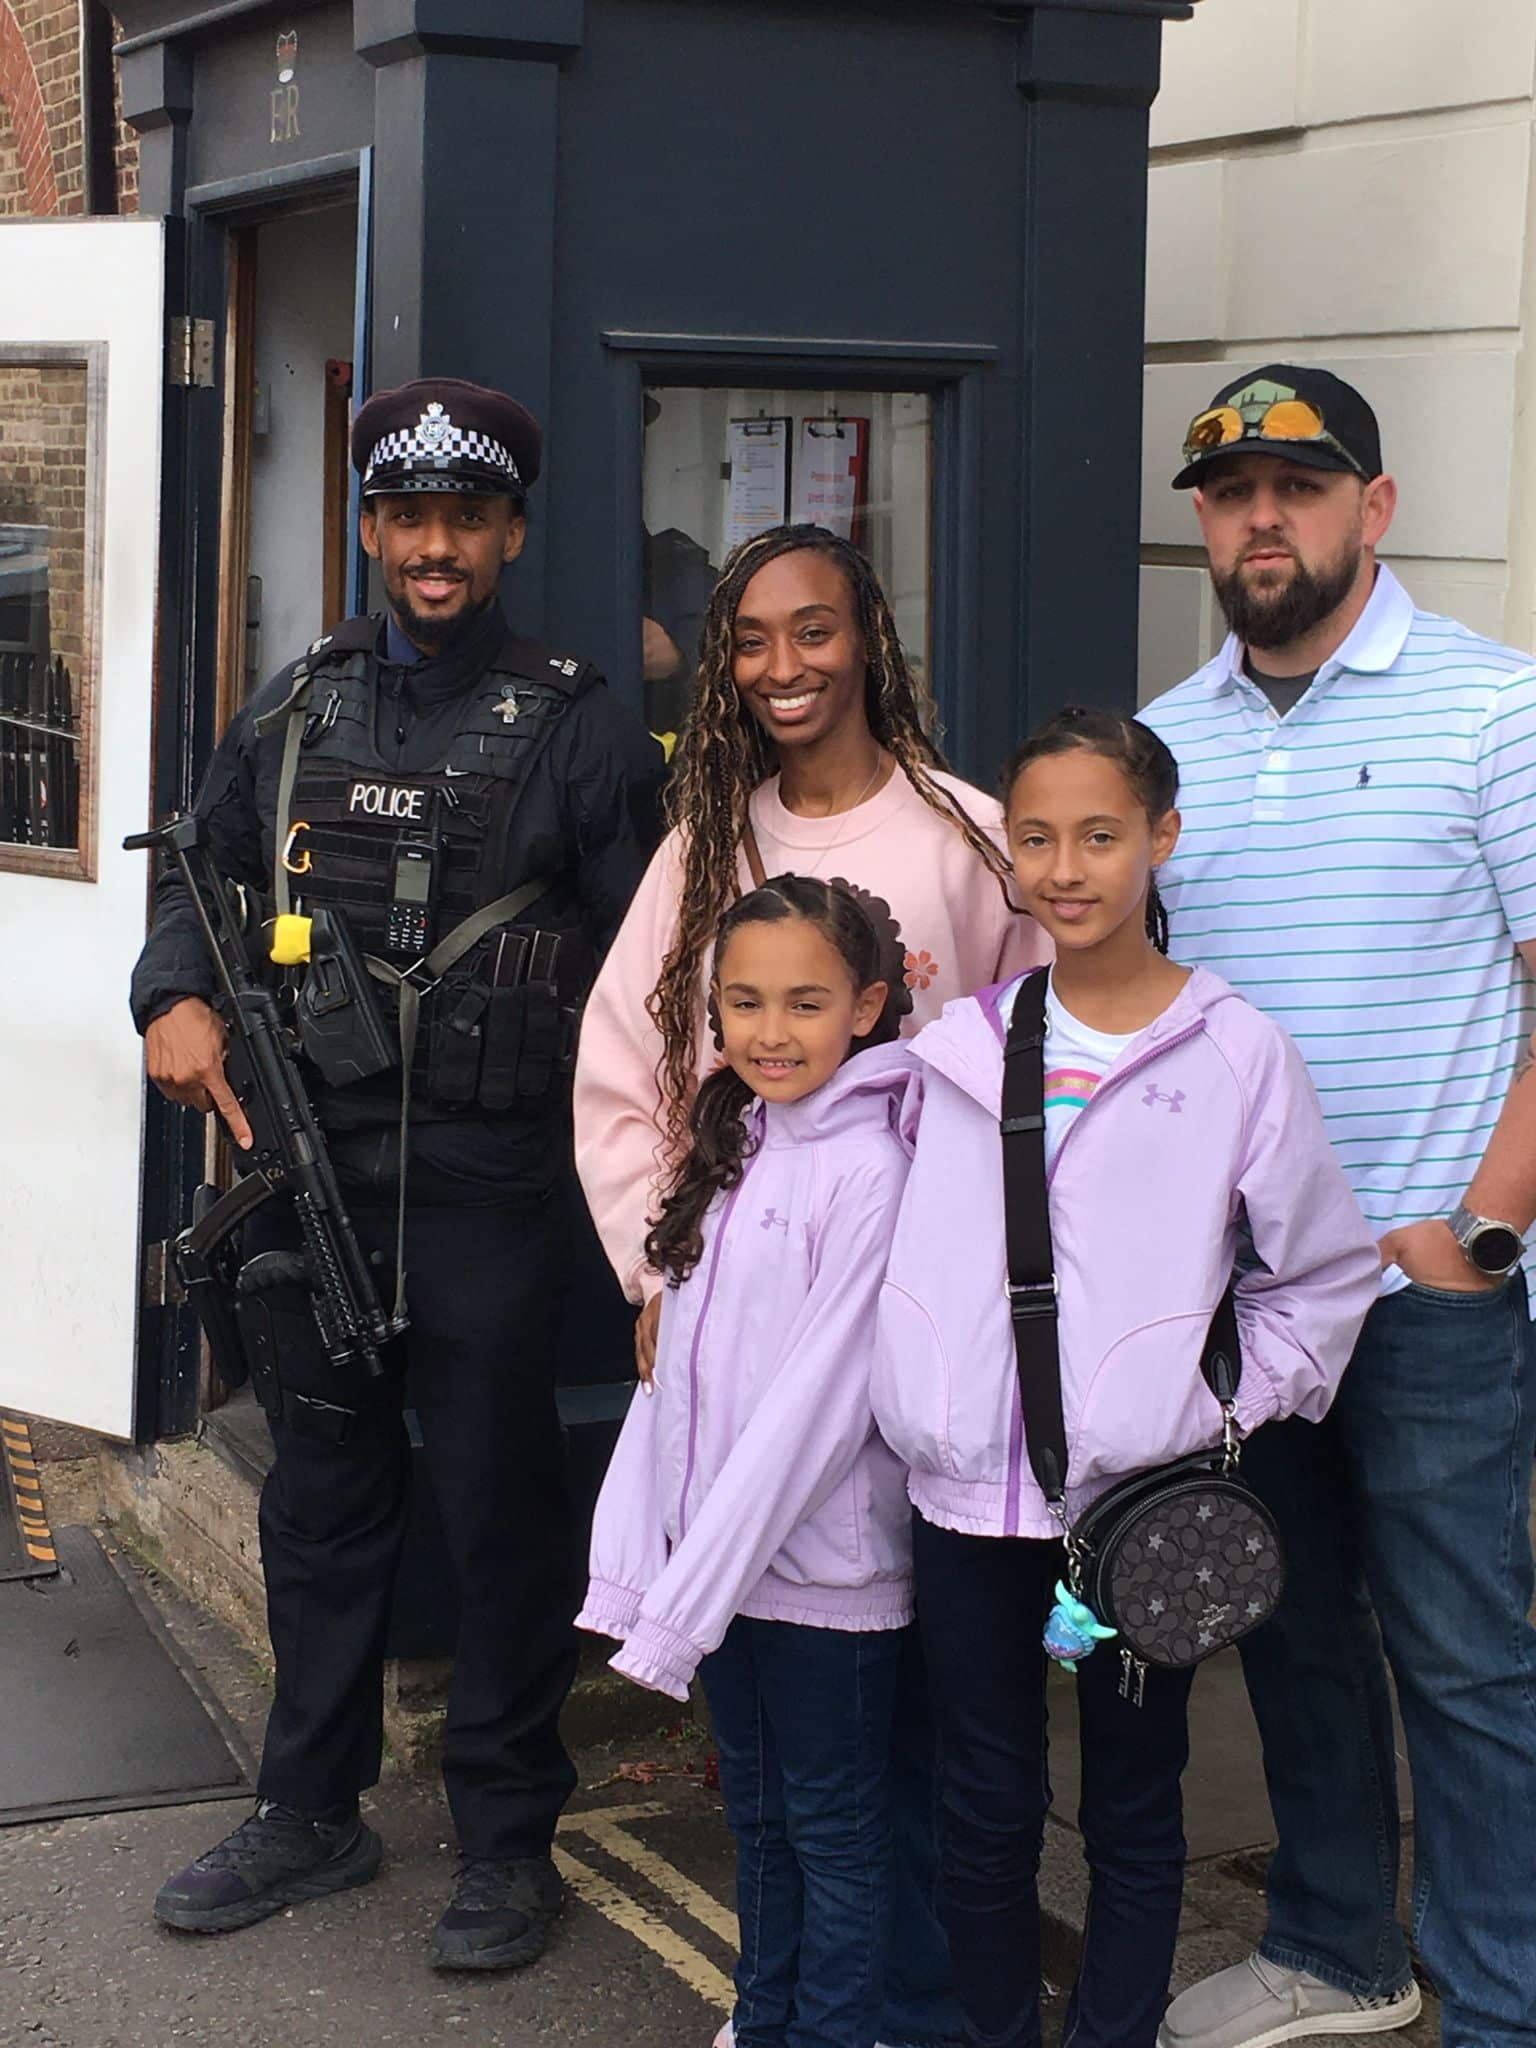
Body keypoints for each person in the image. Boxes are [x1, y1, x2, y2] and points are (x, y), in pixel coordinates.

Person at [130, 377, 663, 1969]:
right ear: (371, 531)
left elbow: (655, 955)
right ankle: (309, 1808)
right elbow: (200, 877)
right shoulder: (294, 708)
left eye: (466, 520)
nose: (437, 547)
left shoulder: (578, 724)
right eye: (407, 518)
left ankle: (507, 1839)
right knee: (320, 1498)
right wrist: (172, 998)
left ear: (510, 535)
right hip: (311, 1165)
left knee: (500, 1513)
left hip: (496, 1180)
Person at [574, 521, 1042, 2048]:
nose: (786, 666)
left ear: (871, 638)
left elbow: (1040, 1064)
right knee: (793, 1766)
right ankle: (801, 2008)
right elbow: (627, 1075)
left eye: (816, 630)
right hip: (760, 1352)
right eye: (753, 639)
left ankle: (908, 2006)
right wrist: (665, 1266)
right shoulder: (704, 851)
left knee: (914, 1735)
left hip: (935, 1368)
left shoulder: (971, 840)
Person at [871, 708, 1381, 2048]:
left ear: (1161, 838)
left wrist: (1215, 1412)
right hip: (968, 1510)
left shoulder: (1236, 1053)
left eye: (1100, 835)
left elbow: (1319, 1276)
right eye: (1036, 837)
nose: (1066, 867)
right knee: (983, 1804)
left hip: (1140, 1518)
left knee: (1135, 1807)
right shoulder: (958, 1049)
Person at [1138, 365, 1536, 2048]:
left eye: (1297, 489)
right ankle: (1340, 1952)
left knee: (1466, 1658)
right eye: (1231, 495)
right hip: (1253, 1299)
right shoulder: (1165, 740)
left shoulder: (1496, 708)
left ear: (1372, 508)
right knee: (1291, 1632)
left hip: (1430, 1292)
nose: (1262, 520)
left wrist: (1480, 1236)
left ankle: (1507, 2001)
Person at [579, 876, 935, 2048]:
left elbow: (816, 1414)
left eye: (805, 1002)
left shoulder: (872, 1170)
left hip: (827, 1583)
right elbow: (672, 1387)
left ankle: (836, 2029)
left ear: (868, 1006)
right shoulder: (733, 1143)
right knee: (765, 1821)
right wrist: (657, 1564)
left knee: (835, 1829)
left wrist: (685, 1597)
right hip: (727, 1576)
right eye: (745, 1001)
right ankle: (765, 2014)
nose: (771, 1031)